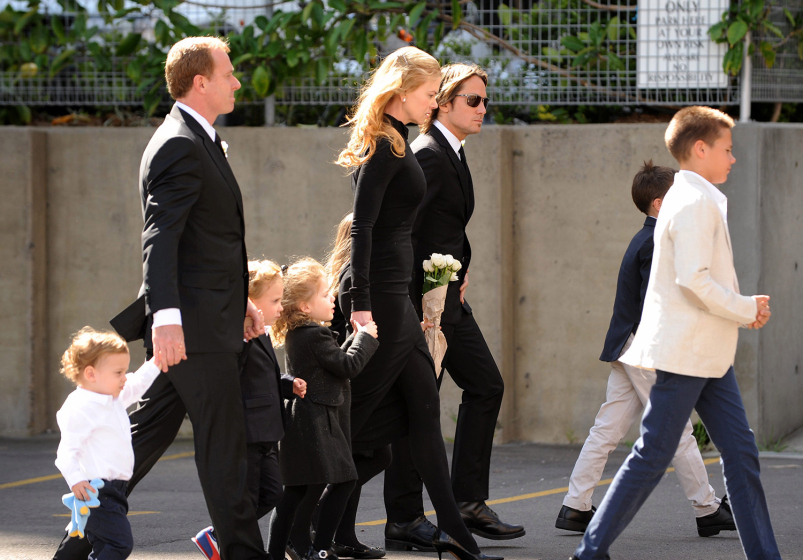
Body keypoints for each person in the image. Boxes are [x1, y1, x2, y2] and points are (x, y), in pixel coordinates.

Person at [52, 36, 270, 560]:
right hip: (193, 328)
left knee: (138, 440)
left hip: (208, 318)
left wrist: (240, 298)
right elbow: (161, 237)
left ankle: (77, 547)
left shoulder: (201, 138)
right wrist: (166, 320)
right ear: (201, 82)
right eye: (229, 73)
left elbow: (210, 239)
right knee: (224, 449)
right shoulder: (178, 143)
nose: (237, 82)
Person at [571, 106, 778, 560]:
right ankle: (588, 552)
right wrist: (746, 309)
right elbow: (693, 279)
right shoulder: (692, 201)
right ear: (700, 149)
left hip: (706, 352)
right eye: (727, 149)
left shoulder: (694, 196)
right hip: (687, 351)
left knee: (741, 455)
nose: (733, 158)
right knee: (653, 455)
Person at [335, 46, 499, 560]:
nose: (433, 103)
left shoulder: (400, 143)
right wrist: (360, 305)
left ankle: (455, 533)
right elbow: (362, 227)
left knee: (421, 411)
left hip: (400, 304)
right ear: (404, 91)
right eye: (431, 94)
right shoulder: (386, 146)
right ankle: (303, 526)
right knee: (358, 425)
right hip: (384, 304)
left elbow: (405, 229)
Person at [382, 63, 524, 551]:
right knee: (416, 408)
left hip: (445, 298)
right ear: (443, 104)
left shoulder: (452, 153)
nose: (484, 109)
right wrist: (423, 294)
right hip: (424, 303)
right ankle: (403, 517)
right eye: (473, 100)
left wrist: (460, 272)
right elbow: (404, 229)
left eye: (485, 100)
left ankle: (465, 502)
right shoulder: (429, 155)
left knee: (484, 386)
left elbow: (449, 228)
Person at [555, 161, 736, 538]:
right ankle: (706, 509)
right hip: (648, 348)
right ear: (658, 203)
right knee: (677, 429)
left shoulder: (649, 238)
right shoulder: (657, 242)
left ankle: (575, 506)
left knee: (606, 429)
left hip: (629, 346)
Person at [192, 260, 308, 559]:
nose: (280, 307)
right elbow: (231, 382)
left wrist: (286, 384)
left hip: (267, 429)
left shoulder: (262, 332)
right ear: (249, 302)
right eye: (274, 301)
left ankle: (218, 535)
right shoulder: (238, 337)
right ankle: (234, 545)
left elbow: (262, 377)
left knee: (272, 493)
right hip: (249, 431)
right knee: (250, 497)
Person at [266, 258, 379, 560]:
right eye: (326, 294)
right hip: (316, 422)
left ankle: (285, 550)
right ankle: (320, 548)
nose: (333, 299)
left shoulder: (305, 334)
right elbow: (348, 365)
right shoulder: (312, 335)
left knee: (300, 491)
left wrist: (356, 337)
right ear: (304, 306)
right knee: (336, 482)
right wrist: (366, 338)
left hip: (314, 421)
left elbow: (334, 363)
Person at [55, 327, 160, 560]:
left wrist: (157, 362)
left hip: (116, 489)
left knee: (106, 544)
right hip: (97, 491)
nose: (125, 378)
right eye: (119, 372)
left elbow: (137, 384)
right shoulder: (80, 407)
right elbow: (66, 452)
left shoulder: (111, 396)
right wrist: (76, 480)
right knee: (118, 543)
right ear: (91, 374)